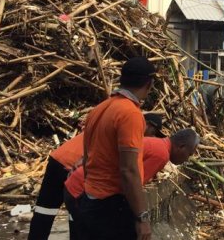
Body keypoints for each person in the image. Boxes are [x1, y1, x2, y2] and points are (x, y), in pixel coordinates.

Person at [27, 112, 164, 240]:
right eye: (154, 133)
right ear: (148, 125)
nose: (152, 137)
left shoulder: (116, 122)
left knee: (44, 210)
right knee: (78, 217)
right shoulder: (131, 132)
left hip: (58, 158)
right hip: (75, 167)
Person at [64, 129, 199, 240]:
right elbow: (131, 185)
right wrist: (141, 218)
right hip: (85, 189)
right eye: (189, 154)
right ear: (181, 146)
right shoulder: (161, 154)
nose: (187, 158)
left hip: (80, 183)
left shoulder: (155, 143)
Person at [76, 56, 157, 240]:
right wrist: (142, 217)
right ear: (149, 84)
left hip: (90, 200)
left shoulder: (100, 109)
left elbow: (87, 158)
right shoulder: (130, 114)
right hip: (112, 206)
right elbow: (128, 170)